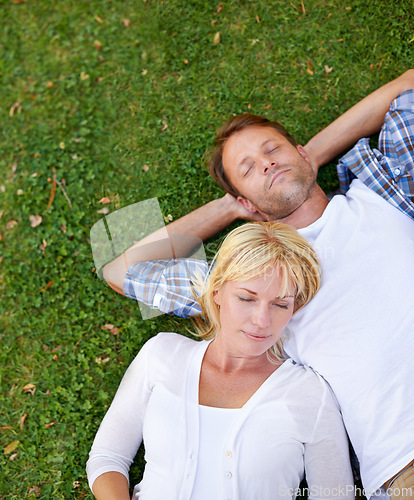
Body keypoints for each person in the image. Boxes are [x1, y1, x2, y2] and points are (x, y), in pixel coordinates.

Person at [102, 70, 414, 499]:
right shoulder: (253, 281)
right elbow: (119, 268)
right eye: (249, 169)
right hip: (403, 463)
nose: (266, 162)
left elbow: (408, 87)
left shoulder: (383, 191)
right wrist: (227, 210)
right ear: (246, 201)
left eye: (273, 150)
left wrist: (310, 158)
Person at [87, 222, 355, 499]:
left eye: (280, 304)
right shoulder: (162, 355)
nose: (262, 321)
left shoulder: (310, 393)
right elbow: (108, 457)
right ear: (216, 292)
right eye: (246, 298)